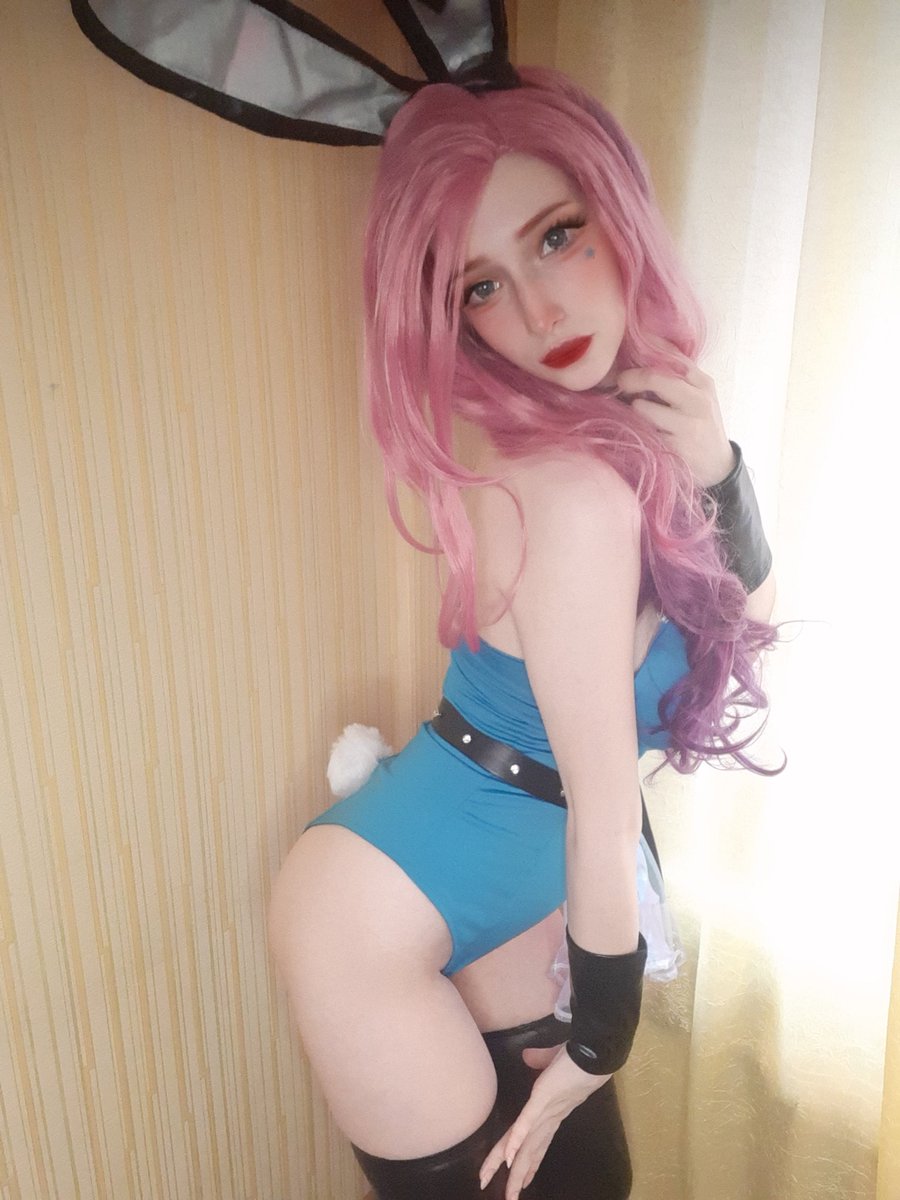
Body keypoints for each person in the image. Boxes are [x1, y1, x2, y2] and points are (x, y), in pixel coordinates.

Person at [267, 66, 778, 1200]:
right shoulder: (572, 496)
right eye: (484, 286)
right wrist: (602, 1039)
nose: (539, 314)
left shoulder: (635, 449)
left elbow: (749, 624)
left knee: (593, 1186)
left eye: (556, 237)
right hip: (374, 916)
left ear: (618, 212)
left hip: (517, 866)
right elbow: (602, 800)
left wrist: (721, 473)